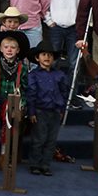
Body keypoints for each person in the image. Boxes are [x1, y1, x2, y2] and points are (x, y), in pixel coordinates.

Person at [0, 30, 29, 172]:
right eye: (6, 47)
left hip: (13, 104)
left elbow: (25, 89)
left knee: (8, 130)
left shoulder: (23, 68)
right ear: (1, 49)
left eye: (13, 47)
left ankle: (3, 156)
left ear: (18, 50)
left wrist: (21, 104)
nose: (9, 50)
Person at [27, 40, 68, 176]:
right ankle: (34, 164)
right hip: (40, 111)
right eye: (44, 54)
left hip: (55, 111)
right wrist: (31, 112)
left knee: (51, 140)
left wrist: (62, 110)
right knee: (39, 139)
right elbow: (31, 94)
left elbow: (63, 93)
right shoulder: (33, 75)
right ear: (37, 58)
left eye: (50, 55)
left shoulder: (60, 75)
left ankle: (45, 165)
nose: (47, 57)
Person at [46, 0, 85, 81]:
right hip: (54, 27)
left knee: (74, 63)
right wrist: (48, 20)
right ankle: (53, 92)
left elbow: (83, 4)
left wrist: (81, 24)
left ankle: (71, 95)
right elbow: (43, 1)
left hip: (74, 27)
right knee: (53, 61)